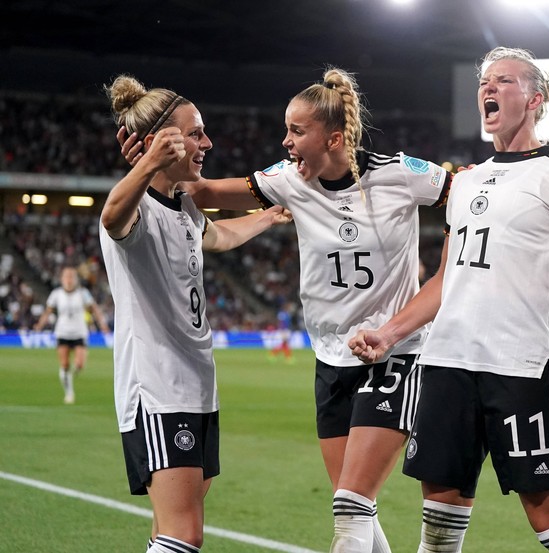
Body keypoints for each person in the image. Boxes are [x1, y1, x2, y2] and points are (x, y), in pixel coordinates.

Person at [120, 67, 450, 553]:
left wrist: (449, 260)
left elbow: (468, 196)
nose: (285, 141)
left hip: (394, 353)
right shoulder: (288, 181)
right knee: (356, 505)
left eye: (296, 131)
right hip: (331, 357)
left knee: (350, 508)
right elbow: (204, 192)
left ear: (334, 137)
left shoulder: (399, 174)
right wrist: (148, 164)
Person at [350, 47, 549, 553]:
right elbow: (448, 277)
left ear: (536, 99)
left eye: (505, 81)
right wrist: (389, 333)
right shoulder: (464, 181)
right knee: (438, 529)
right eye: (485, 81)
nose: (489, 88)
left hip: (519, 367)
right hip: (446, 363)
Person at [101, 74, 291, 553]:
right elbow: (110, 217)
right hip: (158, 386)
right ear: (159, 143)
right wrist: (145, 165)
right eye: (195, 132)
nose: (206, 142)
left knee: (172, 528)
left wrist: (268, 216)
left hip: (195, 384)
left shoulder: (182, 206)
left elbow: (220, 237)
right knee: (184, 534)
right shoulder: (137, 207)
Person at [33, 265, 111, 404]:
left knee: (79, 364)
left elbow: (94, 309)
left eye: (71, 277)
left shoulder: (83, 293)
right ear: (62, 279)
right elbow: (48, 312)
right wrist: (40, 325)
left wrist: (102, 324)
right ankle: (69, 393)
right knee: (64, 364)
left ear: (76, 279)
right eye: (66, 276)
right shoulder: (56, 294)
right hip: (62, 332)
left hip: (79, 332)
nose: (69, 280)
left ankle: (71, 377)